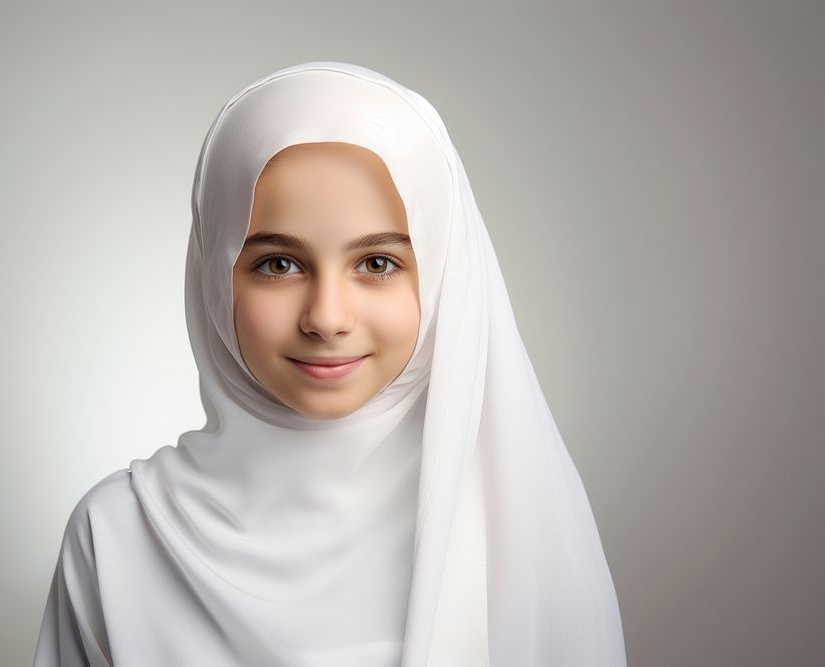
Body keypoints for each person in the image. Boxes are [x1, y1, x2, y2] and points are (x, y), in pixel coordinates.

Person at [33, 61, 627, 666]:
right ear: (215, 272)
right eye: (278, 264)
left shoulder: (514, 525)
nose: (326, 317)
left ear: (445, 273)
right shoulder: (117, 537)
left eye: (376, 264)